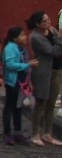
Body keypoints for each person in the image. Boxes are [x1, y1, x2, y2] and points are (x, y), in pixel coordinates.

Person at [26, 11, 62, 146]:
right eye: (45, 21)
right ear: (37, 24)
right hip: (42, 72)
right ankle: (35, 133)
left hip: (56, 71)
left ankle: (48, 133)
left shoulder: (52, 30)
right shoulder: (35, 37)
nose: (49, 22)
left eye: (48, 19)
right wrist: (60, 38)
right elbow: (54, 51)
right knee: (40, 103)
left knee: (51, 104)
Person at [0, 26, 34, 145]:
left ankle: (18, 132)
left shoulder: (22, 49)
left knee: (18, 107)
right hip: (12, 82)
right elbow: (10, 64)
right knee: (10, 106)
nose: (25, 37)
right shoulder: (10, 48)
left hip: (21, 82)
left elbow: (24, 64)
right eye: (22, 35)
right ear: (15, 38)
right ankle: (7, 133)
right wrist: (27, 65)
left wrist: (28, 81)